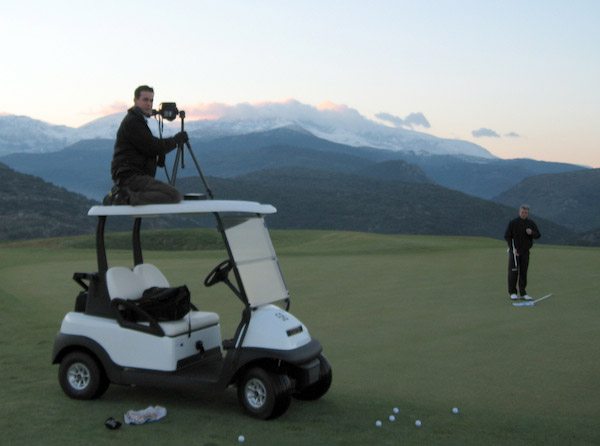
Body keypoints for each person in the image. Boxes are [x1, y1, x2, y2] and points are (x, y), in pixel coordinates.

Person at [104, 85, 188, 205]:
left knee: (172, 194)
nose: (149, 104)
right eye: (145, 99)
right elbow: (153, 146)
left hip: (132, 175)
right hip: (130, 176)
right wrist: (175, 140)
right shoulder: (133, 122)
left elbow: (146, 145)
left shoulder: (137, 120)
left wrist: (159, 154)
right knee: (173, 195)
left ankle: (125, 194)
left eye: (151, 100)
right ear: (136, 100)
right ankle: (124, 198)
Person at [504, 204, 541, 300]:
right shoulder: (513, 223)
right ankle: (512, 292)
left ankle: (523, 293)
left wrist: (531, 233)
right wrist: (512, 249)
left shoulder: (531, 223)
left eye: (526, 212)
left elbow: (538, 235)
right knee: (513, 272)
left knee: (523, 272)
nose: (524, 214)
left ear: (527, 213)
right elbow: (507, 236)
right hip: (514, 252)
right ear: (519, 212)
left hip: (525, 252)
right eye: (522, 212)